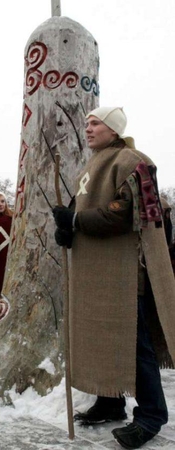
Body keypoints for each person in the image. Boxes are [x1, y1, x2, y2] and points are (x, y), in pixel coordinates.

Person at [52, 106, 175, 449]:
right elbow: (85, 211)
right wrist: (68, 229)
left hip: (125, 272)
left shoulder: (133, 161)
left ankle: (151, 416)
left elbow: (130, 214)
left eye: (95, 123)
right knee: (101, 337)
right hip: (96, 272)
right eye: (87, 123)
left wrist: (76, 221)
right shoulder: (92, 165)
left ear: (114, 129)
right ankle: (110, 400)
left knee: (134, 345)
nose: (88, 129)